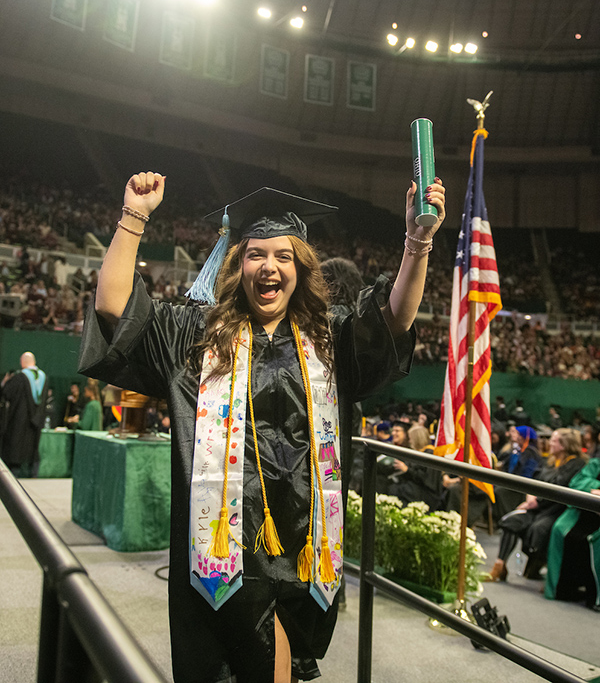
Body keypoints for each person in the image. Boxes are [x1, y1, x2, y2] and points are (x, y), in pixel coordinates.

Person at [78, 171, 446, 683]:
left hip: (302, 550)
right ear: (237, 263)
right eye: (256, 254)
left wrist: (418, 239)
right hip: (223, 551)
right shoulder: (195, 337)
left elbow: (394, 321)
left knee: (282, 668)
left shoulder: (328, 337)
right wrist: (134, 216)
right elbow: (114, 307)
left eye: (283, 256)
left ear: (301, 267)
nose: (269, 267)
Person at [489, 428, 586, 582]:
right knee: (511, 521)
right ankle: (499, 566)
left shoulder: (576, 464)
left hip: (555, 510)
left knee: (539, 529)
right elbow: (536, 479)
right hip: (537, 507)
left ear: (564, 445)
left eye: (554, 440)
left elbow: (560, 487)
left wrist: (535, 502)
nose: (549, 443)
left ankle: (537, 567)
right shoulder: (551, 461)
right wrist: (530, 496)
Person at [545, 458, 600, 610]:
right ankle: (560, 590)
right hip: (585, 512)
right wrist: (596, 488)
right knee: (560, 529)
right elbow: (577, 483)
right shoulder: (597, 463)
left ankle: (595, 598)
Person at [0, 352, 48, 476]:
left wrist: (5, 383)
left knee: (16, 444)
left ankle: (15, 472)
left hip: (19, 420)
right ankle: (33, 472)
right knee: (33, 447)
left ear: (23, 362)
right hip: (37, 421)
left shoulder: (19, 378)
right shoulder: (44, 378)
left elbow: (7, 394)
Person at [388, 424, 443, 510]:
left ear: (417, 439)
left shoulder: (431, 454)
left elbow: (427, 480)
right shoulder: (417, 453)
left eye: (411, 438)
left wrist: (407, 470)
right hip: (416, 487)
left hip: (426, 493)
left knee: (399, 490)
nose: (410, 441)